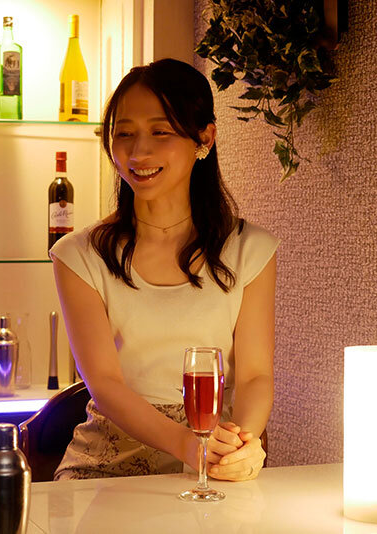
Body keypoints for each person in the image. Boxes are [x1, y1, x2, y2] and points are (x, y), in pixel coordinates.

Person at [50, 58, 278, 481]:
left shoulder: (251, 250)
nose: (139, 152)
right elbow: (105, 384)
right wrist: (186, 444)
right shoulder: (79, 255)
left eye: (160, 132)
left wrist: (243, 445)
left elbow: (255, 375)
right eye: (124, 134)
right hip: (109, 463)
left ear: (204, 138)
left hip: (219, 456)